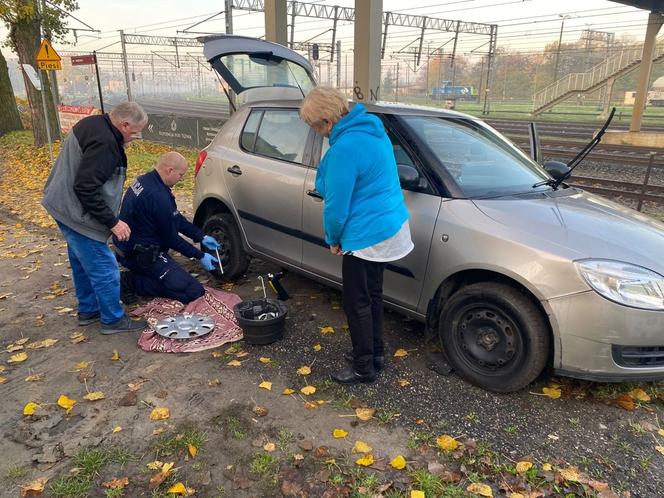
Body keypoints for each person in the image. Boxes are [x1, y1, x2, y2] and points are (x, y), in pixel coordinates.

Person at [299, 87, 413, 385]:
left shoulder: (345, 148)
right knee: (372, 295)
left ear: (327, 121)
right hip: (390, 227)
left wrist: (333, 239)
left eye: (316, 127)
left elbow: (336, 207)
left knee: (356, 302)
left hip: (366, 236)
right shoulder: (373, 131)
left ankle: (364, 367)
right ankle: (375, 353)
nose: (318, 133)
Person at [42, 102, 148, 335]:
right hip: (76, 212)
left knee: (81, 260)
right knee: (104, 267)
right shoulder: (105, 144)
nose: (136, 137)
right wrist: (113, 222)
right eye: (135, 131)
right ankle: (112, 320)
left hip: (61, 203)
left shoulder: (93, 124)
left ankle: (89, 310)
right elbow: (85, 187)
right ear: (124, 124)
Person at [114, 151, 220, 304]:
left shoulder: (145, 180)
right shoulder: (158, 196)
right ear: (170, 170)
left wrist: (201, 236)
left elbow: (175, 218)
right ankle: (131, 282)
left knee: (175, 279)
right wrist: (199, 256)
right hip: (140, 255)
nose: (181, 179)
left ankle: (142, 275)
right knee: (193, 291)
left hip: (128, 247)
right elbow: (172, 239)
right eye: (180, 175)